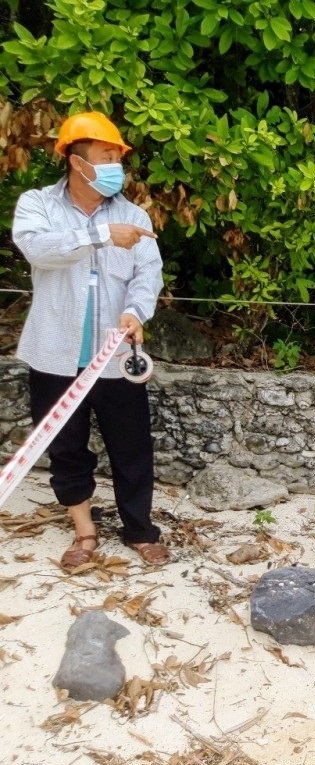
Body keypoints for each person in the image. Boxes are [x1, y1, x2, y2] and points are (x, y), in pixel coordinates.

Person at [12, 110, 169, 570]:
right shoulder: (37, 205)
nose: (116, 164)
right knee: (64, 445)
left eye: (118, 156)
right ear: (76, 161)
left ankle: (140, 530)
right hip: (53, 351)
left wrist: (135, 311)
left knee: (133, 444)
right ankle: (84, 530)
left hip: (116, 354)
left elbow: (148, 272)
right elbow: (38, 249)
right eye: (106, 155)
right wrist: (101, 235)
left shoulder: (133, 213)